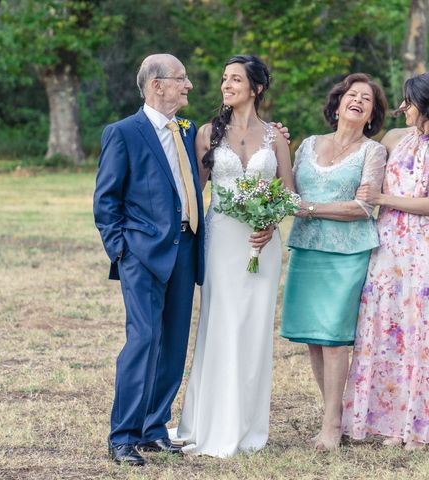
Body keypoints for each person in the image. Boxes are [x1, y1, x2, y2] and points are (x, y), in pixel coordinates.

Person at [172, 55, 294, 457]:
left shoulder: (276, 136)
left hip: (263, 244)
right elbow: (194, 190)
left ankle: (248, 426)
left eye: (236, 79)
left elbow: (288, 193)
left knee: (255, 329)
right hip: (222, 239)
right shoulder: (207, 133)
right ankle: (211, 422)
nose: (226, 85)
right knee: (220, 324)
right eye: (224, 78)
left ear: (256, 88)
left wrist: (271, 223)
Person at [342, 71, 429, 450]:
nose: (402, 108)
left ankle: (417, 427)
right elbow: (357, 160)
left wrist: (382, 199)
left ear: (426, 105)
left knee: (419, 330)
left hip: (424, 248)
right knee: (385, 327)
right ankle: (388, 424)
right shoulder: (394, 138)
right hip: (387, 246)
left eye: (408, 102)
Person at [93, 53, 205, 465]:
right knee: (144, 340)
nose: (188, 85)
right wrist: (121, 250)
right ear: (157, 85)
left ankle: (153, 429)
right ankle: (122, 436)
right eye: (181, 78)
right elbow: (106, 200)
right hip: (140, 253)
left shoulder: (188, 129)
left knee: (174, 344)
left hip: (186, 248)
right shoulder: (123, 133)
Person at [280, 73, 388, 450]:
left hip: (348, 253)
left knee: (334, 339)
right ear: (338, 102)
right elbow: (287, 192)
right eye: (352, 95)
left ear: (372, 114)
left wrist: (309, 208)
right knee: (313, 337)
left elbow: (363, 206)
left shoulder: (373, 152)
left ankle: (330, 427)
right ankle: (335, 414)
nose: (358, 100)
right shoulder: (308, 144)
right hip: (307, 249)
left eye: (367, 99)